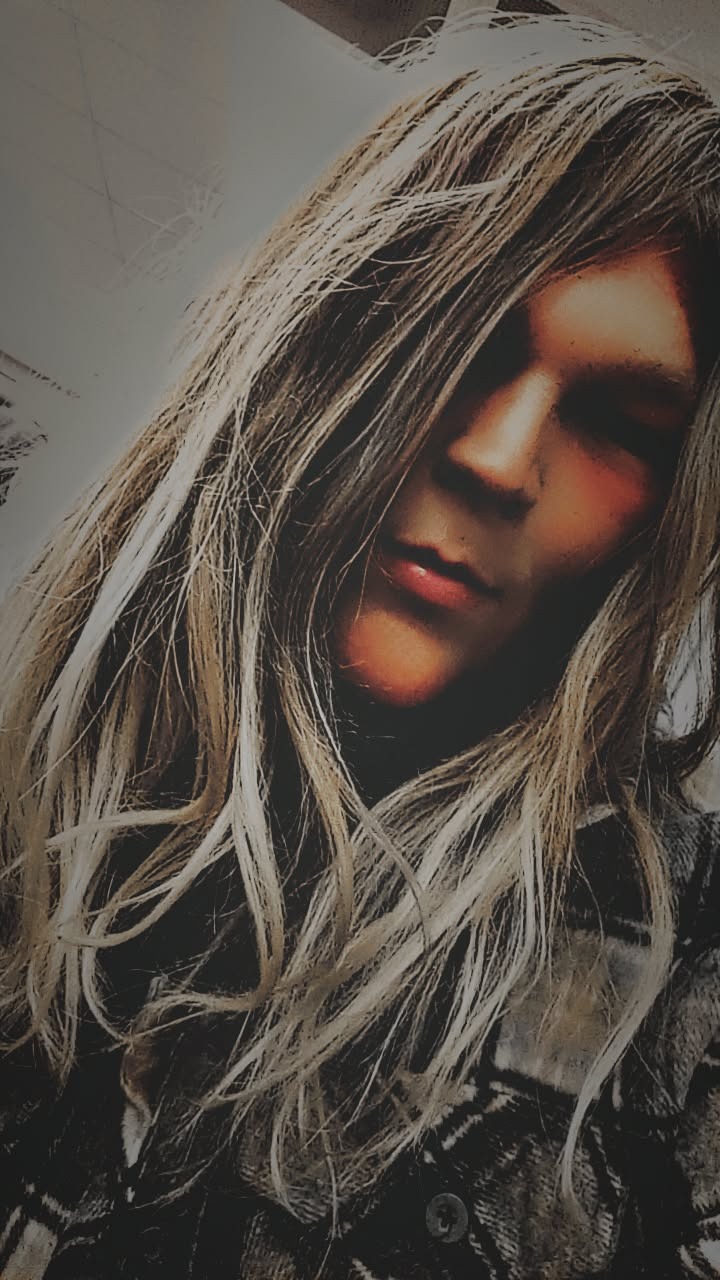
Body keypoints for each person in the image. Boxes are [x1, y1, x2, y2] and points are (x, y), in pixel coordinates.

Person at [1, 11, 719, 1279]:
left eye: (617, 422)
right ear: (327, 325)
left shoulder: (680, 958)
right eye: (468, 339)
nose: (501, 461)